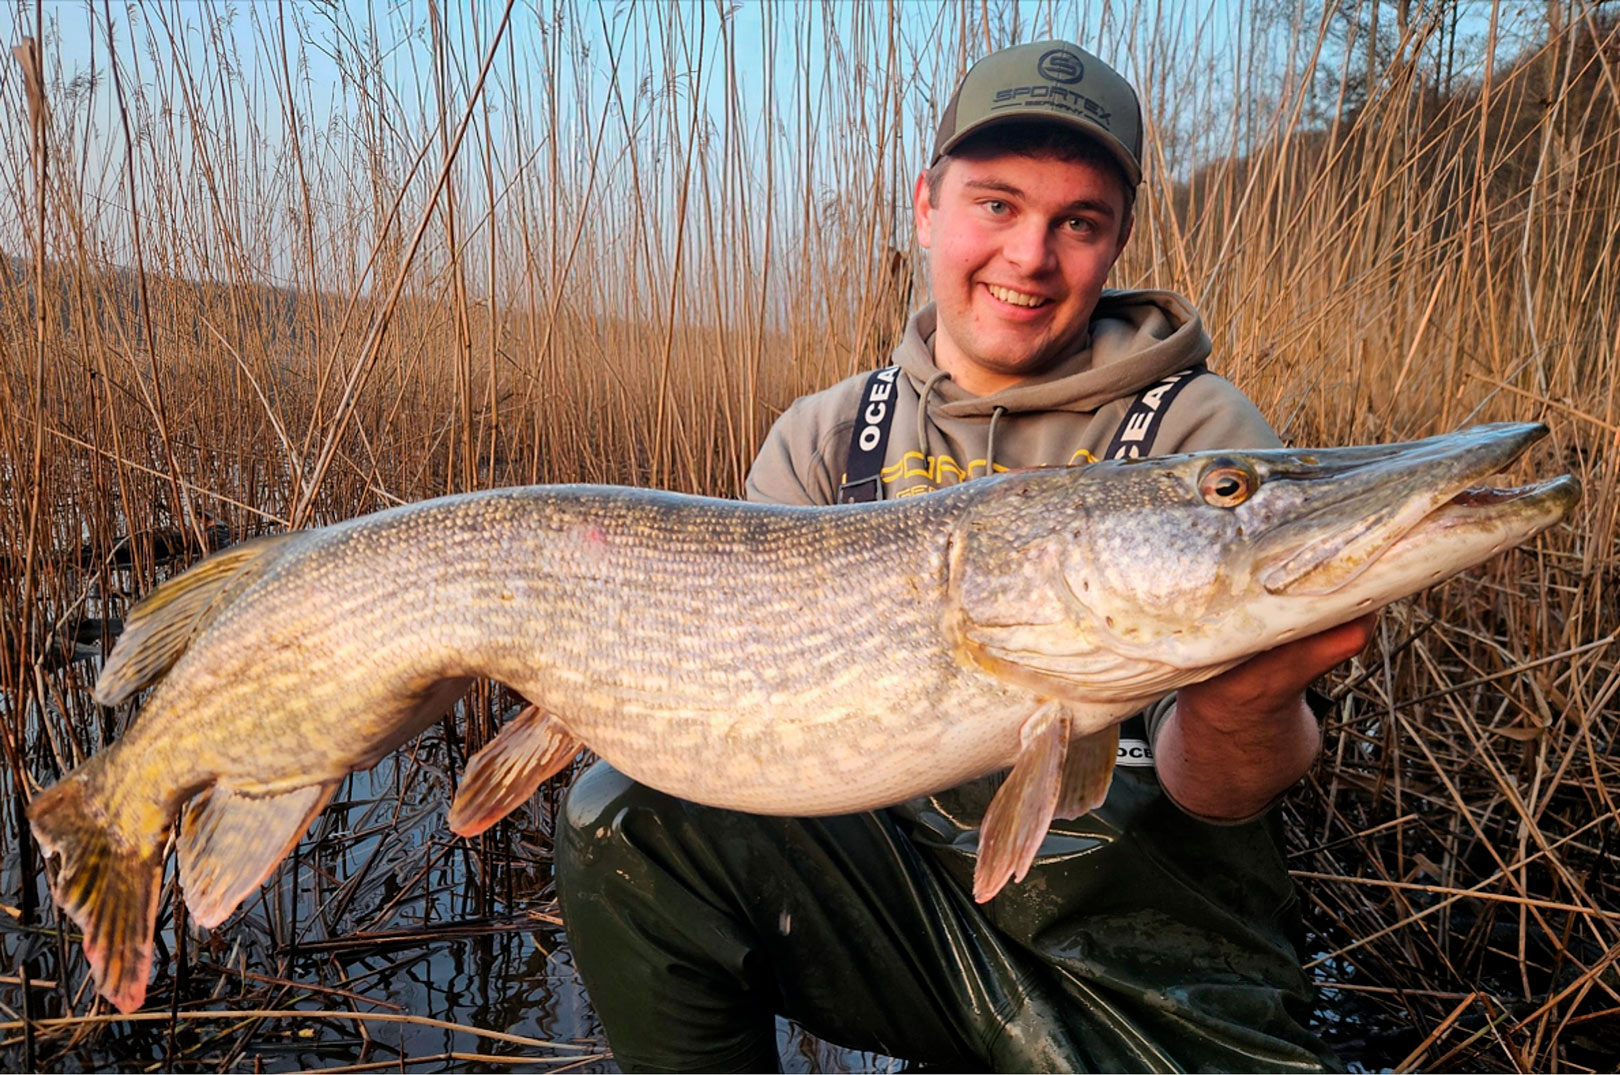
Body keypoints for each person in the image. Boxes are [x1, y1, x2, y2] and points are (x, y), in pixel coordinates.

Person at [555, 40, 1373, 1072]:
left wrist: (1249, 700)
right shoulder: (824, 437)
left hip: (1152, 964)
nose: (1031, 256)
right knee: (624, 817)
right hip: (907, 926)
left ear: (1117, 242)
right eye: (997, 205)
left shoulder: (1203, 434)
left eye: (1079, 222)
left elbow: (1221, 792)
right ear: (927, 207)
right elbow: (734, 729)